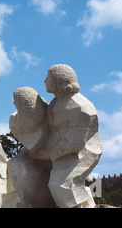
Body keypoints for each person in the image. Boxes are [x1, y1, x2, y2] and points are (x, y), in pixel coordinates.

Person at [44, 64, 102, 208]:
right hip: (61, 150)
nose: (44, 81)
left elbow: (76, 143)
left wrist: (52, 153)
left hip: (83, 151)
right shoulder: (55, 103)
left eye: (48, 78)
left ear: (58, 81)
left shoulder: (80, 107)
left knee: (62, 184)